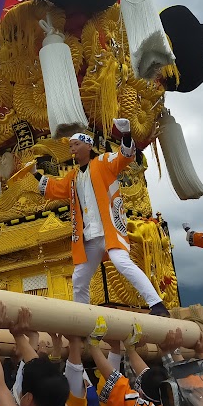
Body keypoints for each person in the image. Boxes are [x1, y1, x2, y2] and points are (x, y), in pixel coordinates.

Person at [32, 120, 170, 316]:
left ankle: (157, 304)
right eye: (71, 146)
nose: (72, 148)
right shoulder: (72, 176)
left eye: (76, 144)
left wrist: (127, 134)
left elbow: (124, 158)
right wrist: (36, 174)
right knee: (79, 278)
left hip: (109, 229)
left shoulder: (104, 162)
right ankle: (82, 316)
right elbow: (56, 189)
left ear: (88, 146)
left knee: (121, 262)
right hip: (89, 236)